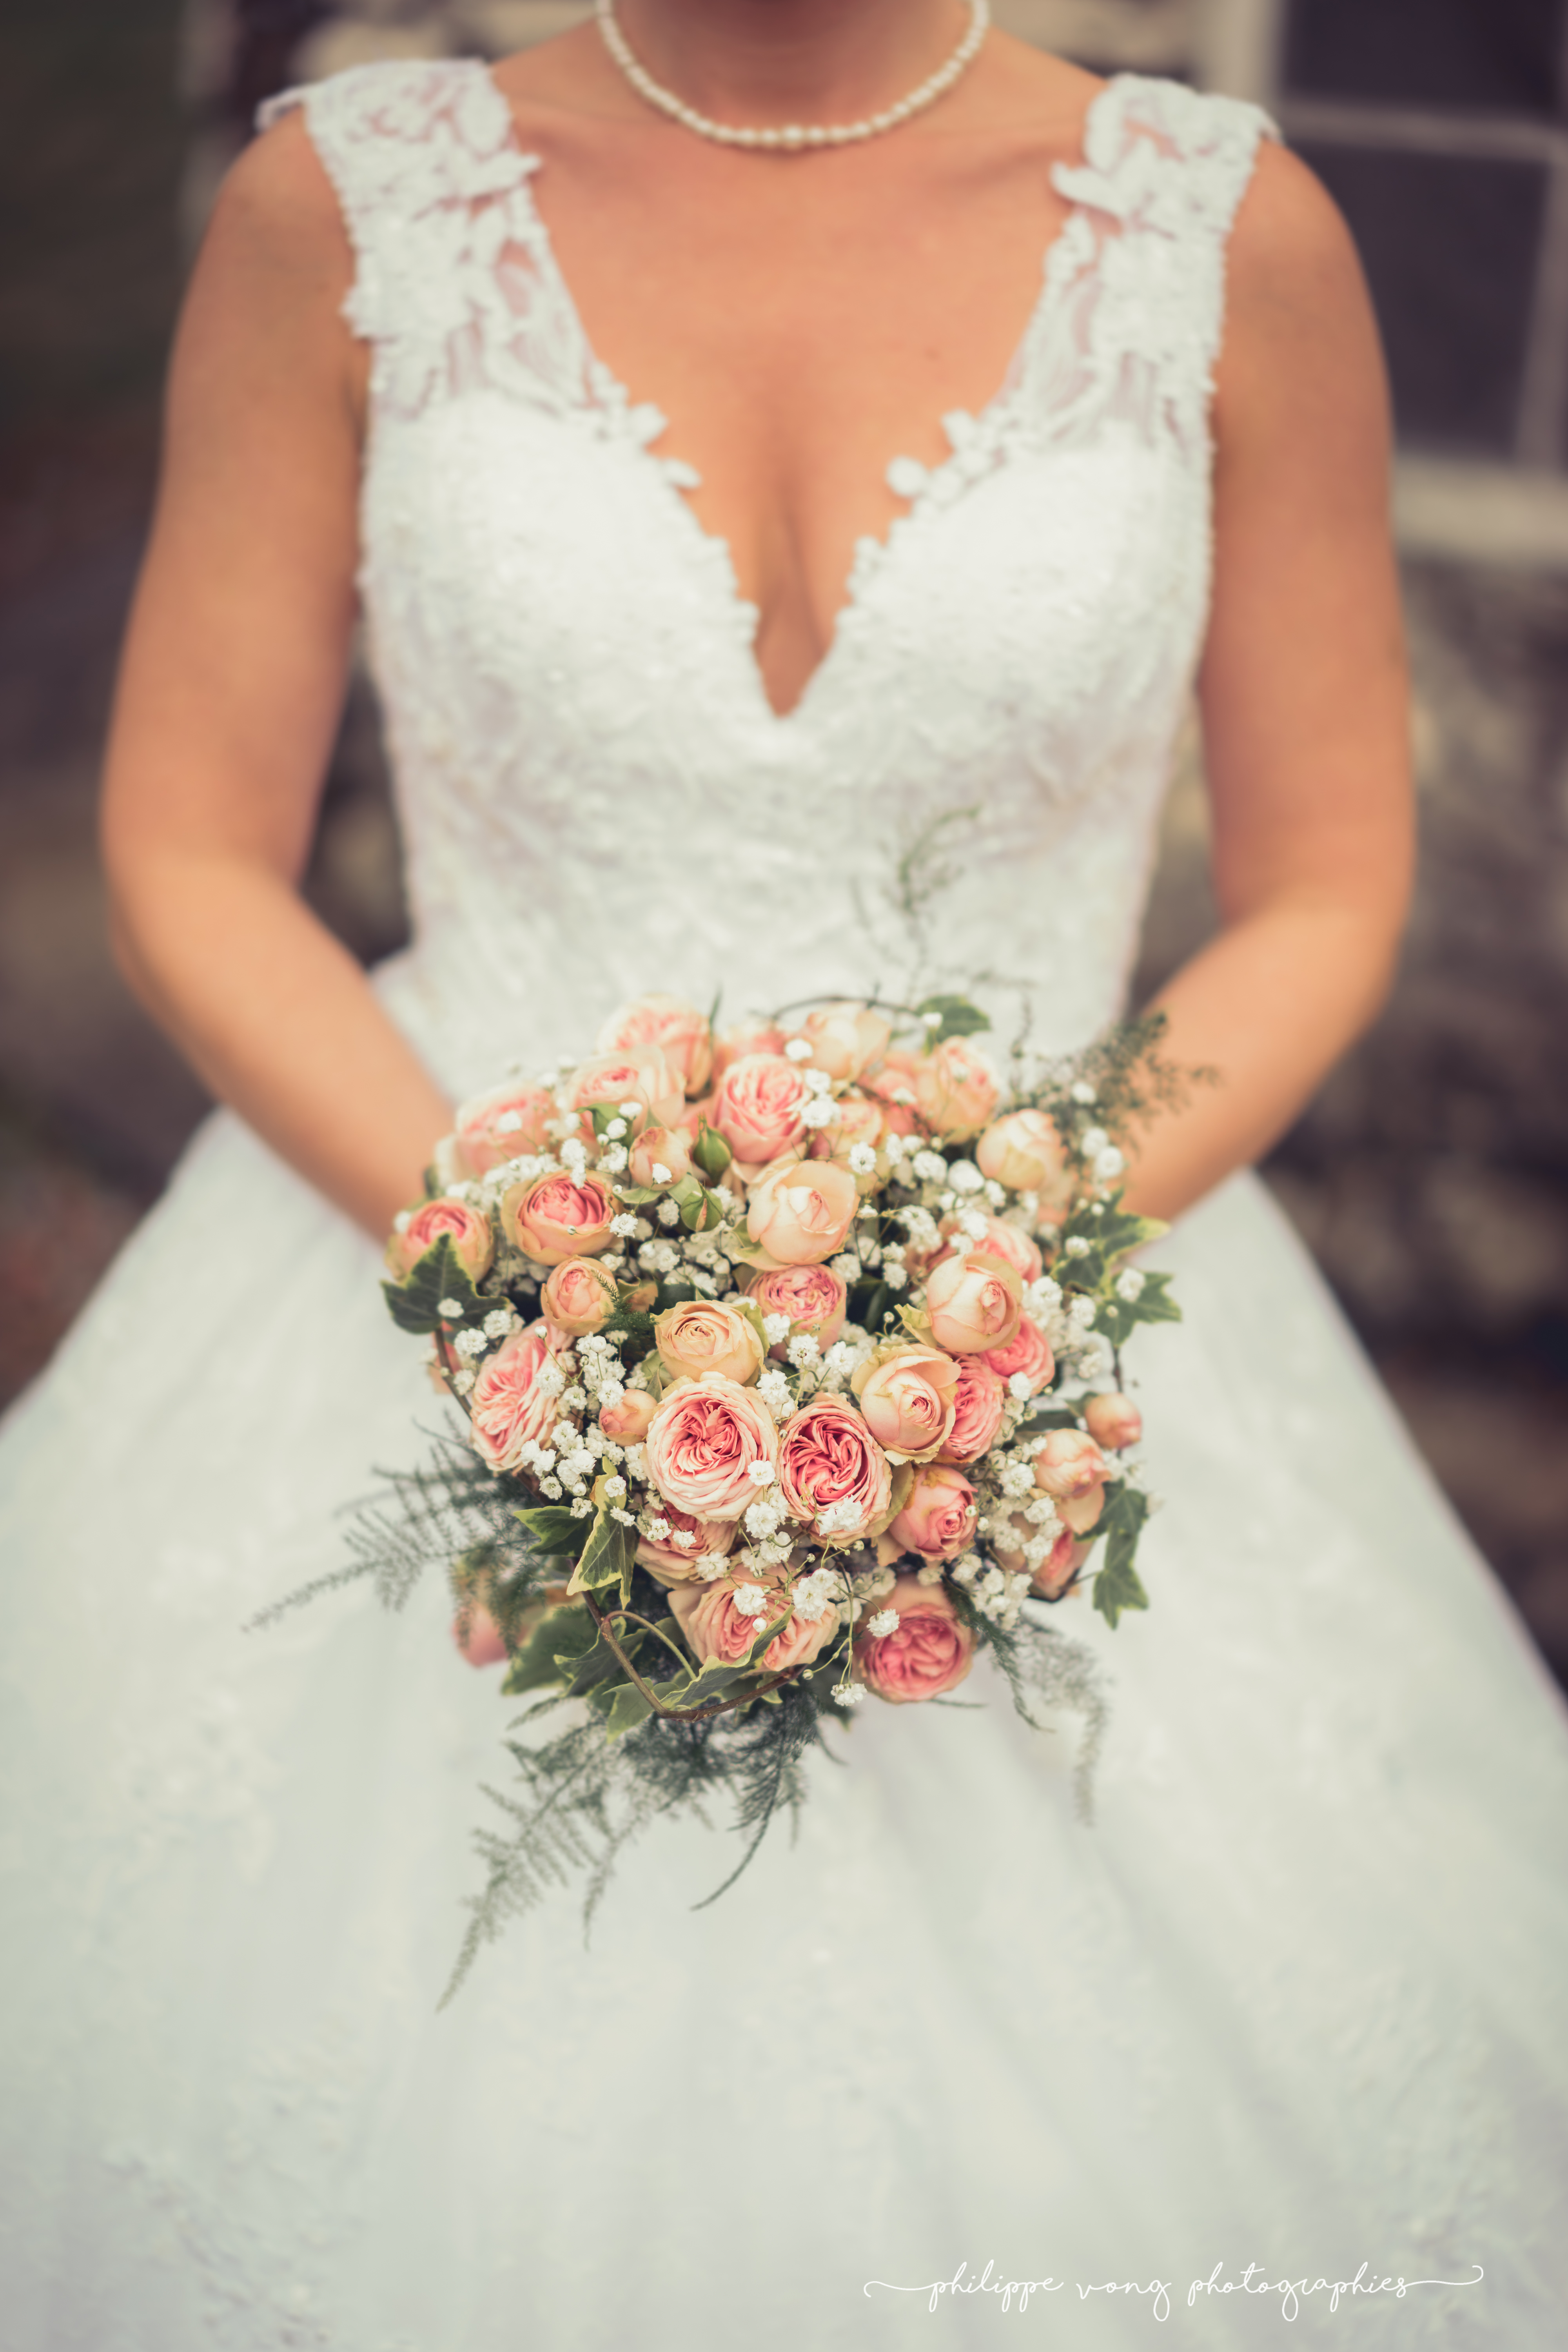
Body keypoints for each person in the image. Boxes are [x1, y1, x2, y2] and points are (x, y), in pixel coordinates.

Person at [2, 2, 1565, 2343]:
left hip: (1036, 1298)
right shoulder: (344, 208)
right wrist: (575, 1283)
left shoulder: (1230, 239)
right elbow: (187, 855)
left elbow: (1332, 880)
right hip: (417, 1246)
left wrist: (977, 1266)